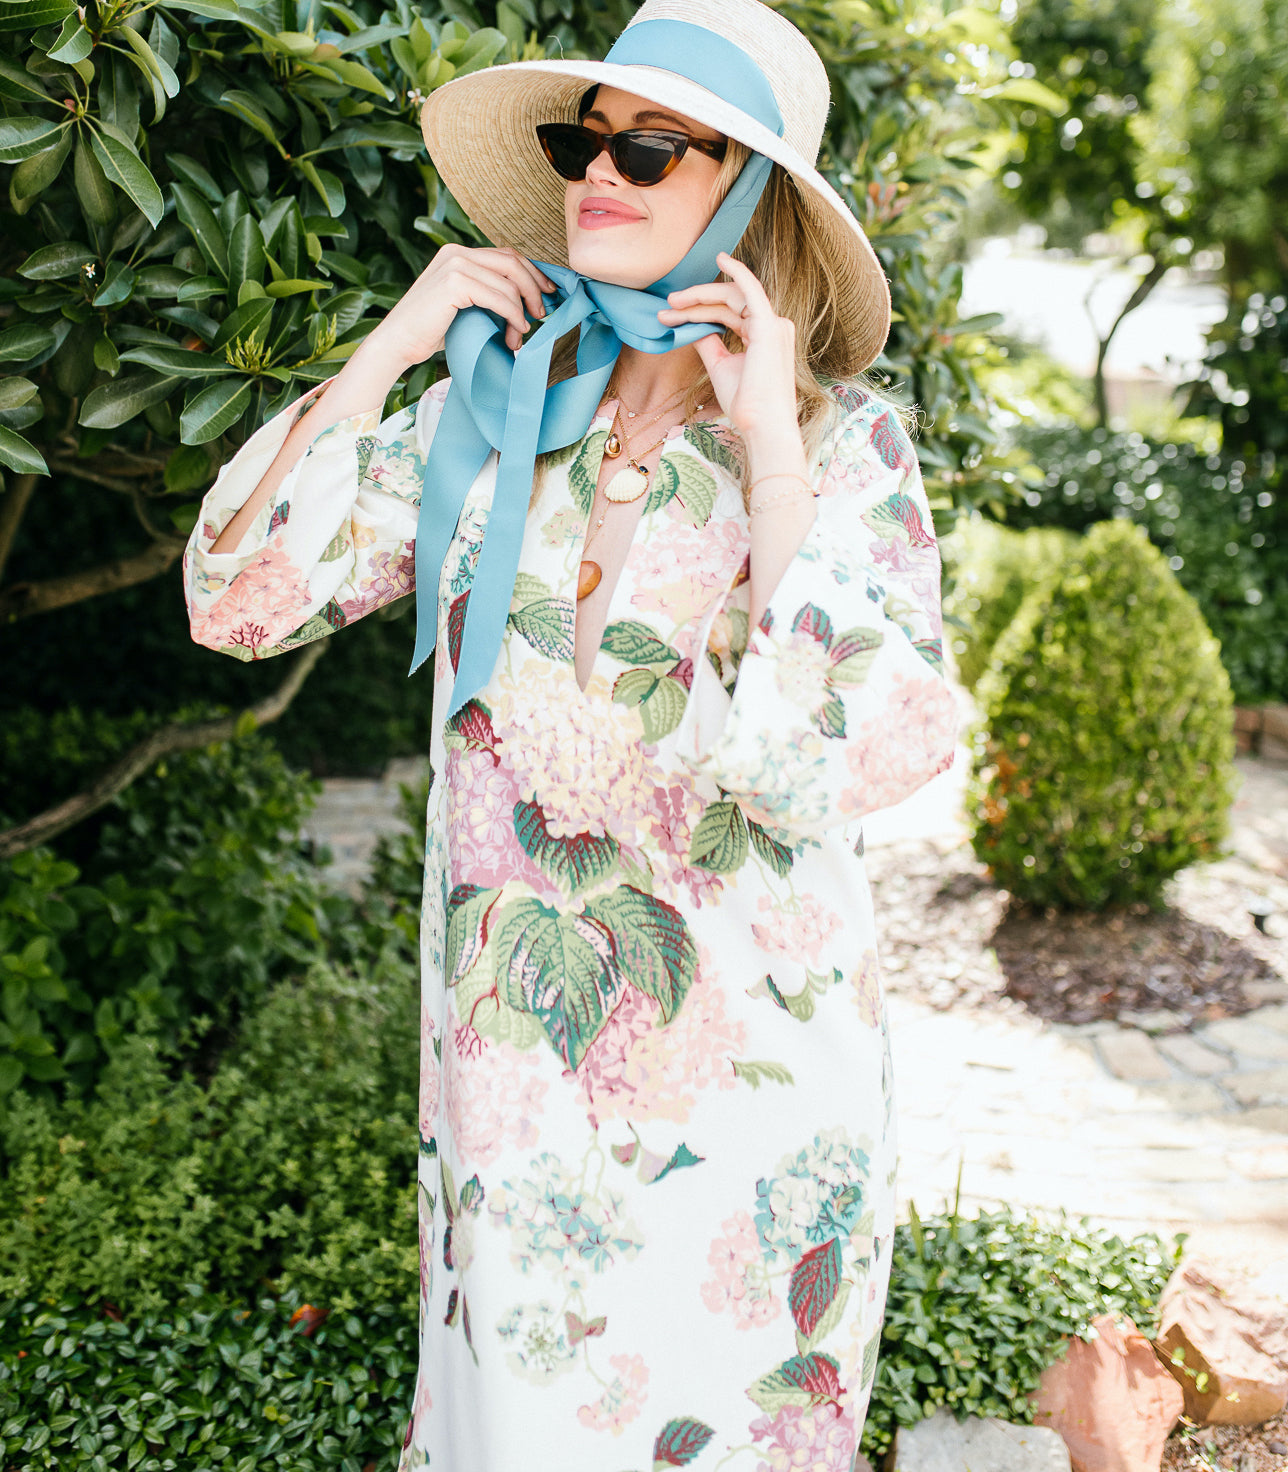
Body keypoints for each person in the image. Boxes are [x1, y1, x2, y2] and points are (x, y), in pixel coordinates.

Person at [184, 0, 958, 1465]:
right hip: (514, 1089)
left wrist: (770, 446)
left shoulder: (844, 445)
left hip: (756, 1098)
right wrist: (400, 344)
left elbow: (855, 747)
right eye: (585, 141)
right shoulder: (497, 410)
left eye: (653, 149)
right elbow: (243, 595)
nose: (599, 173)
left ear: (745, 197)